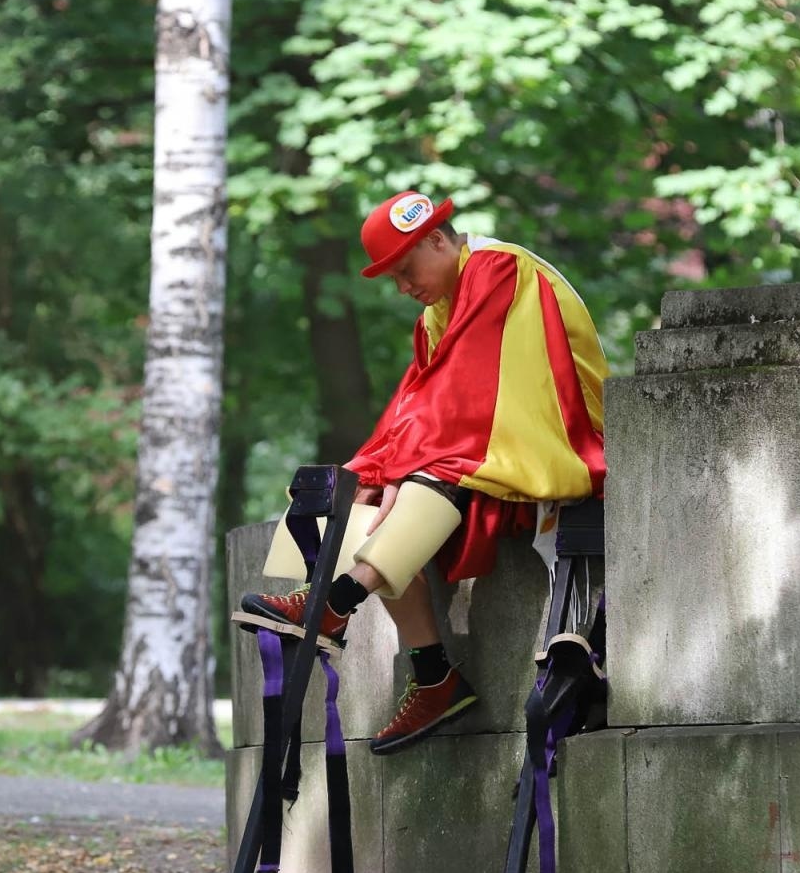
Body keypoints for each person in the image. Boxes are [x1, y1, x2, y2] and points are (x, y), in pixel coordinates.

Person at [242, 190, 608, 755]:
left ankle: (333, 604)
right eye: (393, 277)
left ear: (438, 238)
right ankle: (434, 673)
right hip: (494, 434)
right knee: (363, 489)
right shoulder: (438, 311)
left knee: (422, 472)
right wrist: (373, 468)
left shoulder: (498, 268)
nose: (403, 288)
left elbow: (468, 394)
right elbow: (418, 400)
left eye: (406, 269)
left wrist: (399, 463)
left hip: (557, 429)